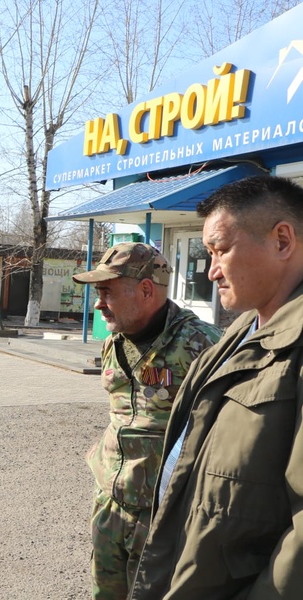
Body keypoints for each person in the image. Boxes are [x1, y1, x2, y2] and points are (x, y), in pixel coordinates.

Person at [130, 175, 303, 599]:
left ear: (282, 241)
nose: (210, 271)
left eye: (221, 250)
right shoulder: (243, 329)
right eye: (208, 253)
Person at [72, 243, 220, 600]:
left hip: (163, 513)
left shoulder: (203, 345)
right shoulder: (116, 339)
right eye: (97, 293)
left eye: (106, 291)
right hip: (110, 501)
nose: (97, 303)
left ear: (146, 289)